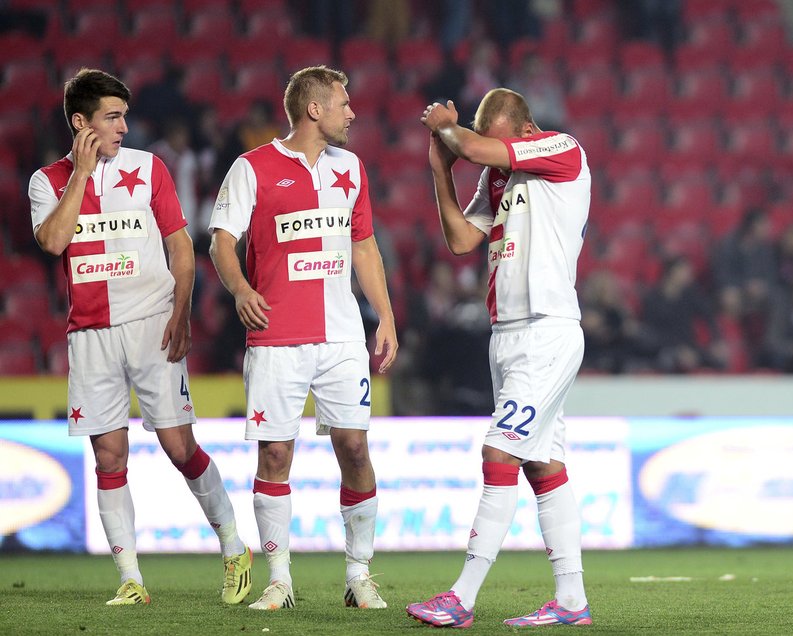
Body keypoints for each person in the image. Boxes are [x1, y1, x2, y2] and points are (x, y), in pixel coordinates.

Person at [27, 69, 252, 606]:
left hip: (152, 323)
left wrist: (182, 311)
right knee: (109, 456)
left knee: (178, 446)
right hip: (91, 332)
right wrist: (80, 175)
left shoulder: (150, 169)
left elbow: (180, 247)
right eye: (112, 117)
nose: (124, 127)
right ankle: (131, 579)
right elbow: (54, 242)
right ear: (80, 123)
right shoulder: (46, 181)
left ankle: (233, 546)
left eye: (125, 116)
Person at [208, 65, 398, 612]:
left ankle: (359, 576)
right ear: (315, 109)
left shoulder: (351, 168)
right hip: (276, 337)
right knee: (275, 455)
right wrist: (241, 288)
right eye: (344, 103)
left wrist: (384, 315)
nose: (352, 113)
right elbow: (222, 240)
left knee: (355, 448)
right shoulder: (253, 168)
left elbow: (364, 247)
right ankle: (279, 581)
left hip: (341, 336)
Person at [406, 88, 592, 628]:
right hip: (506, 335)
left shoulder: (561, 148)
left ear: (524, 129)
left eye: (495, 138)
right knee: (542, 465)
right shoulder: (498, 176)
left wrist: (448, 129)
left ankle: (461, 597)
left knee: (499, 453)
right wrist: (441, 169)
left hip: (546, 330)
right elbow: (462, 239)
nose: (486, 149)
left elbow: (476, 148)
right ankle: (572, 602)